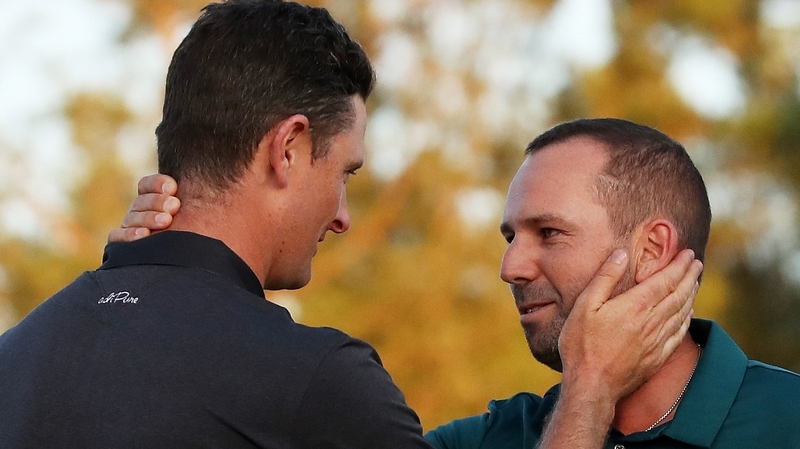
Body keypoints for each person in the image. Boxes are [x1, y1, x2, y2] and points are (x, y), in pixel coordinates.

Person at [0, 1, 699, 448]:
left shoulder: (18, 353)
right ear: (288, 147)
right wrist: (589, 389)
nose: (341, 215)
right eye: (345, 172)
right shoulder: (315, 381)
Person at [118, 117, 800, 448]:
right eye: (510, 237)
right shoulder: (484, 441)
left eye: (549, 233)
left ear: (652, 249)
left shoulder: (788, 420)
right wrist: (153, 281)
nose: (511, 266)